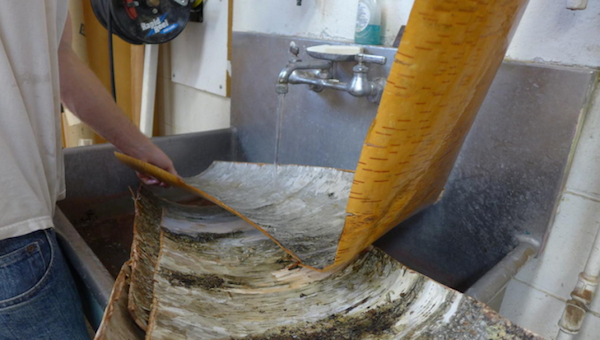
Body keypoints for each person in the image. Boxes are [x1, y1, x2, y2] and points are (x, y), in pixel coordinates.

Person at [0, 2, 177, 339]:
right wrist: (139, 147)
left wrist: (140, 149)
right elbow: (61, 59)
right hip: (10, 235)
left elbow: (59, 60)